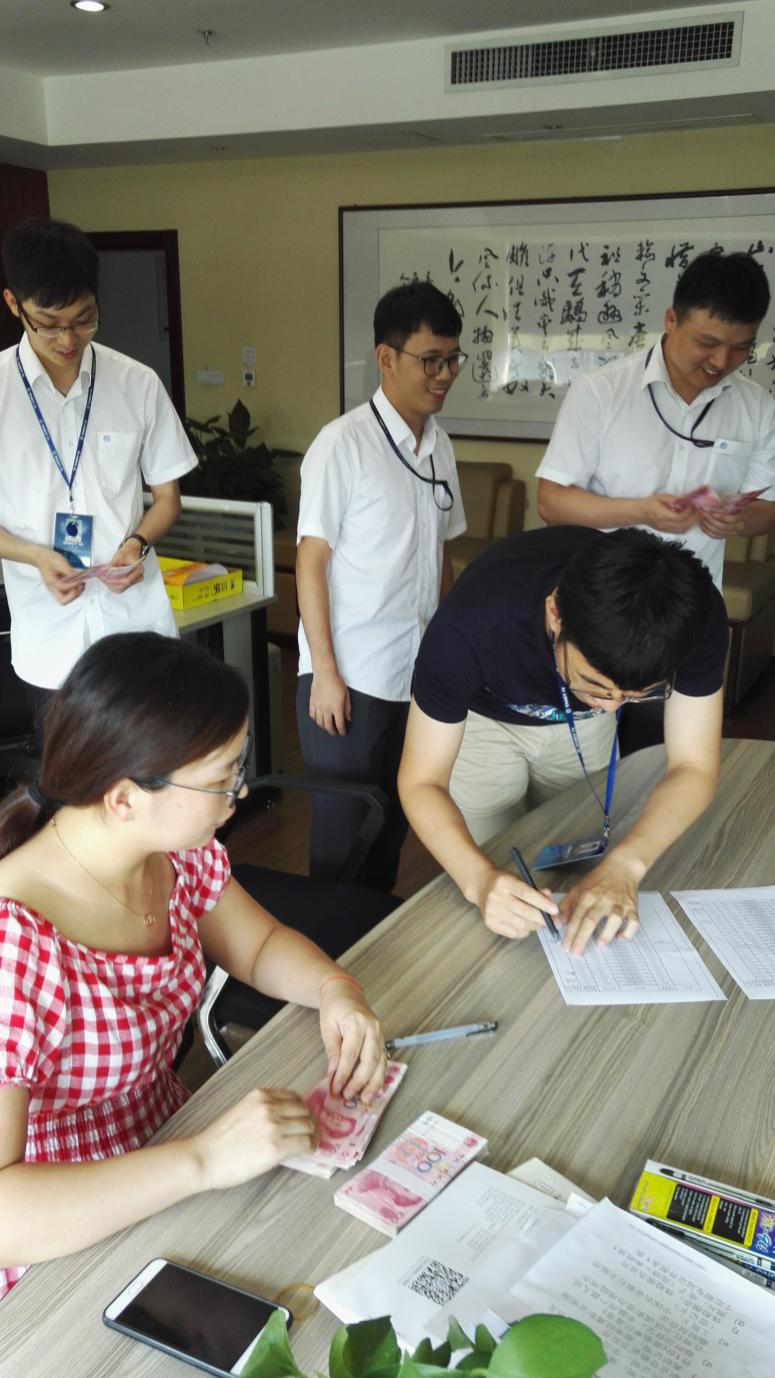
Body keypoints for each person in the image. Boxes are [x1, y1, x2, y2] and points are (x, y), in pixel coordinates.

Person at [0, 632, 385, 1300]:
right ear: (124, 797)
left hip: (175, 1148)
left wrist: (335, 989)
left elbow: (257, 946)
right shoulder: (15, 947)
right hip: (65, 1232)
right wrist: (205, 1157)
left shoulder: (172, 850)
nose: (239, 794)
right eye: (221, 781)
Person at [397, 526, 727, 957]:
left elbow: (694, 766)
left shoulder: (693, 619)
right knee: (498, 872)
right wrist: (479, 880)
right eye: (596, 685)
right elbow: (421, 781)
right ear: (555, 614)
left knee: (585, 857)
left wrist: (627, 864)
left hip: (577, 723)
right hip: (485, 719)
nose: (612, 707)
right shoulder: (471, 625)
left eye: (635, 694)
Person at [535, 250, 775, 753]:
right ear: (671, 319)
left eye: (740, 348)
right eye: (707, 343)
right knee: (583, 757)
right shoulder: (602, 392)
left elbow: (768, 510)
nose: (720, 362)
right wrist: (641, 510)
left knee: (663, 755)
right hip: (600, 611)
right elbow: (552, 501)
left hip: (690, 611)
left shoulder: (757, 407)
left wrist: (737, 520)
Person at [296, 281, 467, 891]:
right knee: (343, 836)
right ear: (386, 358)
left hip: (414, 673)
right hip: (350, 677)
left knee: (394, 821)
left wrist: (450, 654)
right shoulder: (342, 445)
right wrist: (324, 673)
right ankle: (328, 945)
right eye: (431, 360)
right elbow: (311, 561)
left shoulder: (440, 448)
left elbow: (440, 554)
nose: (444, 375)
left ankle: (372, 938)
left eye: (453, 360)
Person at [0, 218, 197, 717]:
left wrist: (137, 543)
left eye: (84, 319)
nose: (68, 338)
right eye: (49, 323)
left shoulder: (137, 384)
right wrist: (35, 556)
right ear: (13, 304)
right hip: (48, 643)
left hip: (136, 629)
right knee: (67, 767)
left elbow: (167, 499)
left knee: (152, 761)